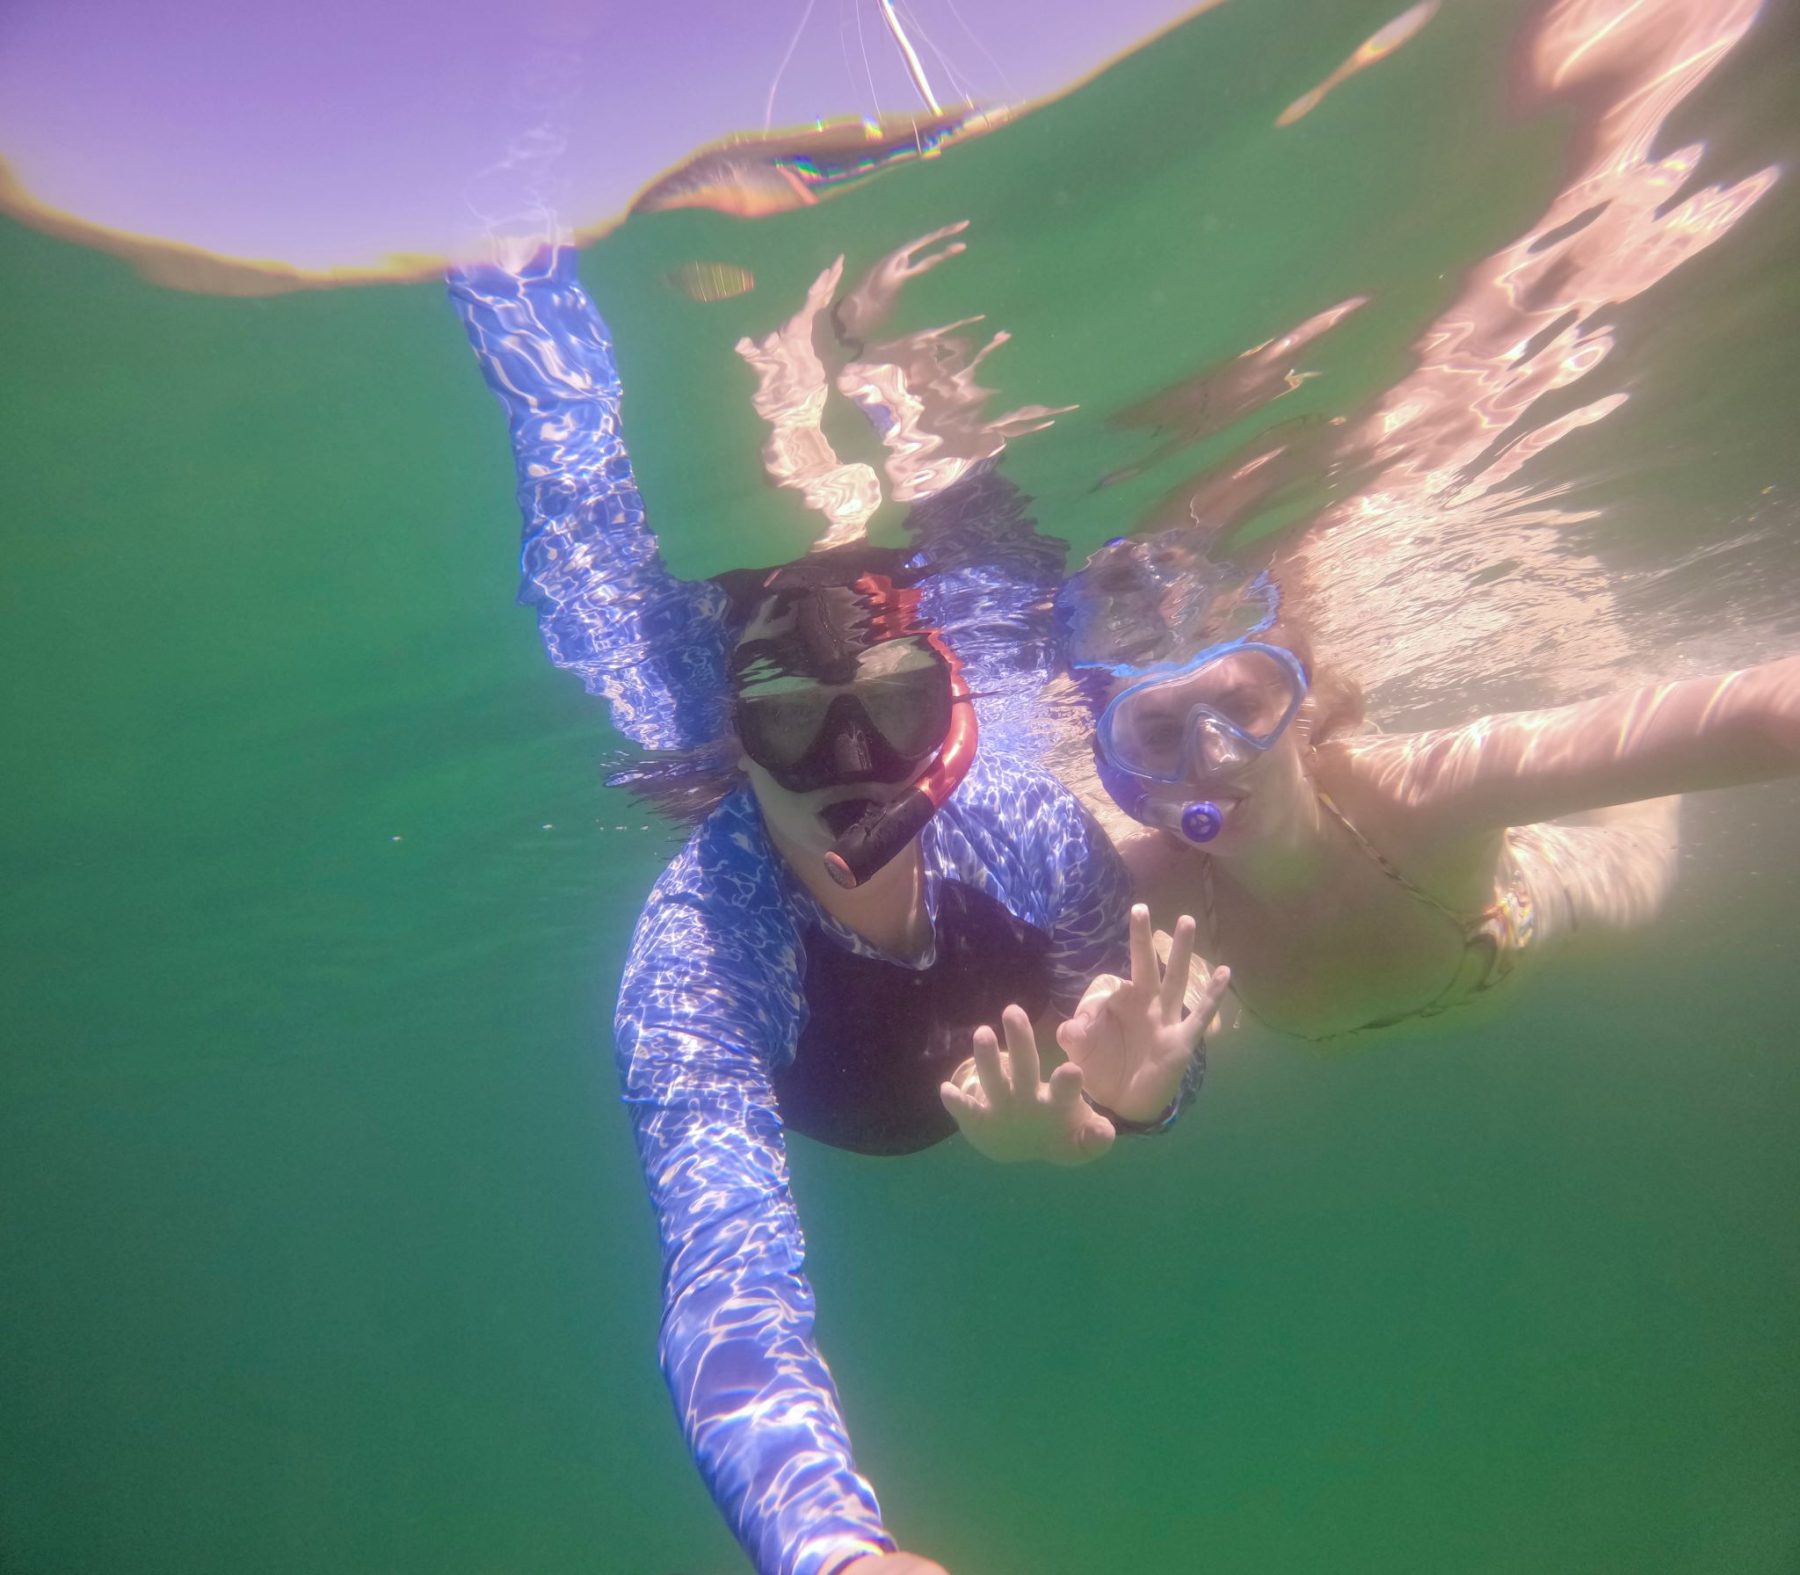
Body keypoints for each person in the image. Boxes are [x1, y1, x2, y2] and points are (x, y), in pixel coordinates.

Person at [448, 238, 1223, 1575]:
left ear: (956, 710)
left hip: (966, 1072)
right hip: (846, 1093)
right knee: (579, 487)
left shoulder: (1021, 820)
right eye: (792, 721)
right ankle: (508, 267)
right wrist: (833, 1551)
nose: (854, 771)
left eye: (898, 705)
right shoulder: (702, 955)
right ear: (728, 743)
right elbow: (726, 1287)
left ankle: (886, 329)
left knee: (950, 462)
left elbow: (1148, 1049)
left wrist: (1147, 1097)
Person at [1051, 529, 1800, 1044]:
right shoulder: (1146, 885)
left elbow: (1746, 717)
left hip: (1513, 939)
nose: (1211, 756)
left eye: (1243, 705)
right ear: (1121, 768)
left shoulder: (1423, 790)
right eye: (1157, 732)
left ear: (1303, 709)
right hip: (1348, 1024)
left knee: (1644, 861)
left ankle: (1637, 733)